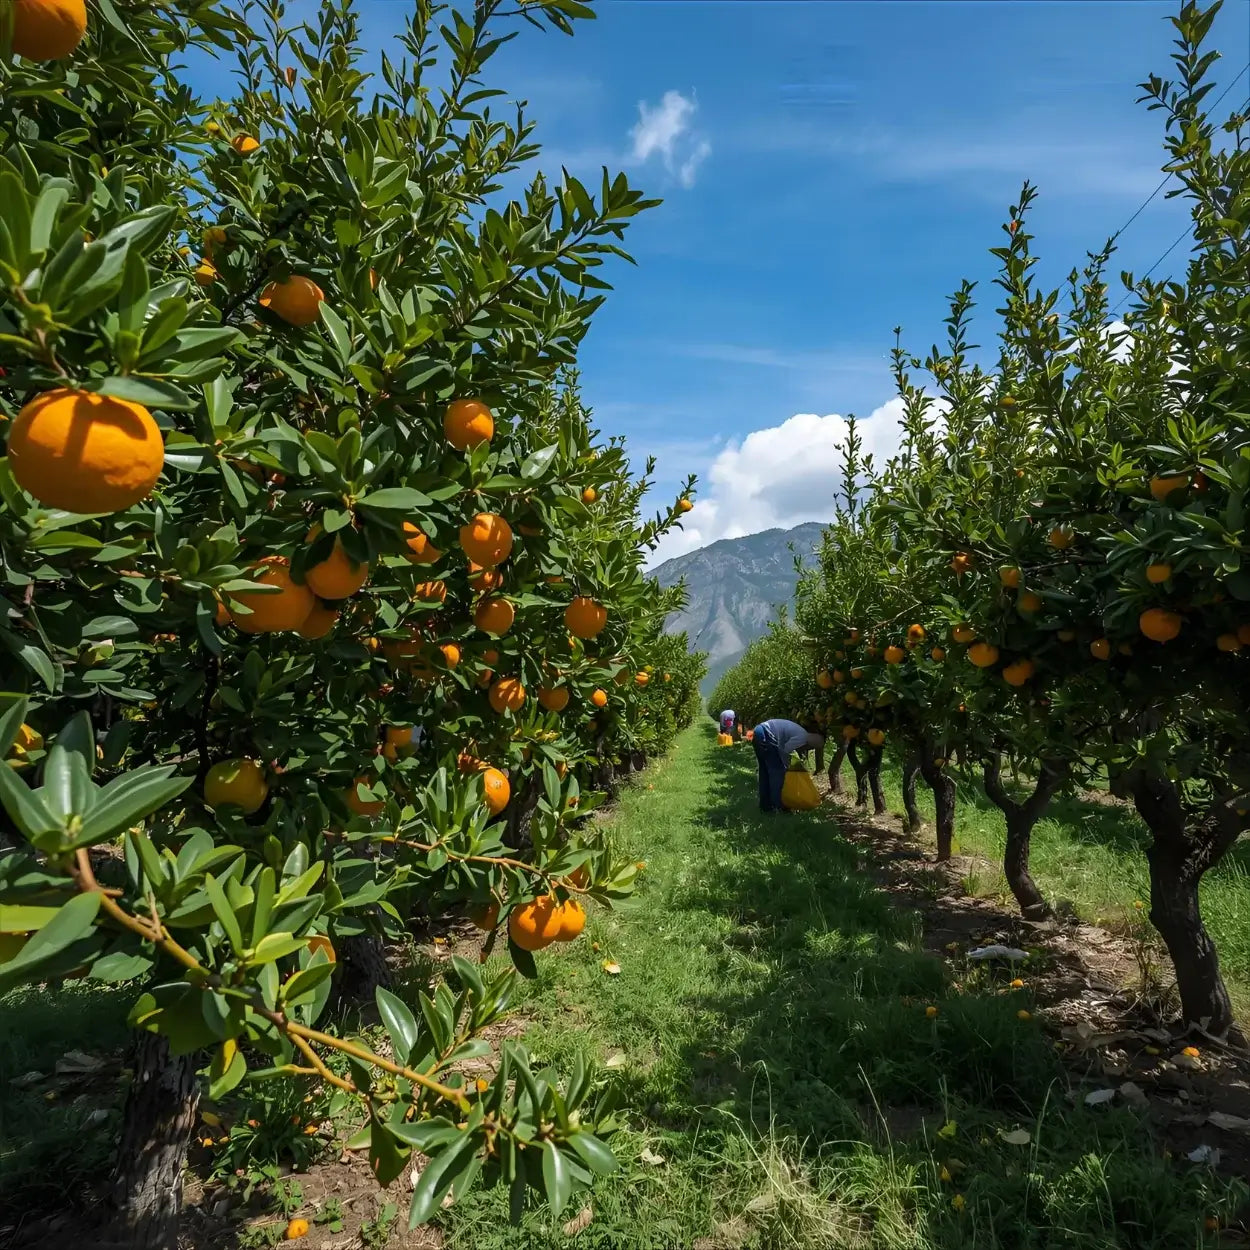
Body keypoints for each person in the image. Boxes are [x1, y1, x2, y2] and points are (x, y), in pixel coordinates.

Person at [751, 718, 825, 814]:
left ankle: (765, 807)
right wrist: (785, 765)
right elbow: (785, 750)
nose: (811, 748)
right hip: (767, 733)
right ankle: (777, 807)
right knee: (777, 772)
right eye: (814, 747)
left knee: (765, 772)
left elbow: (782, 748)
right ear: (813, 742)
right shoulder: (802, 737)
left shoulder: (800, 732)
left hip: (759, 732)